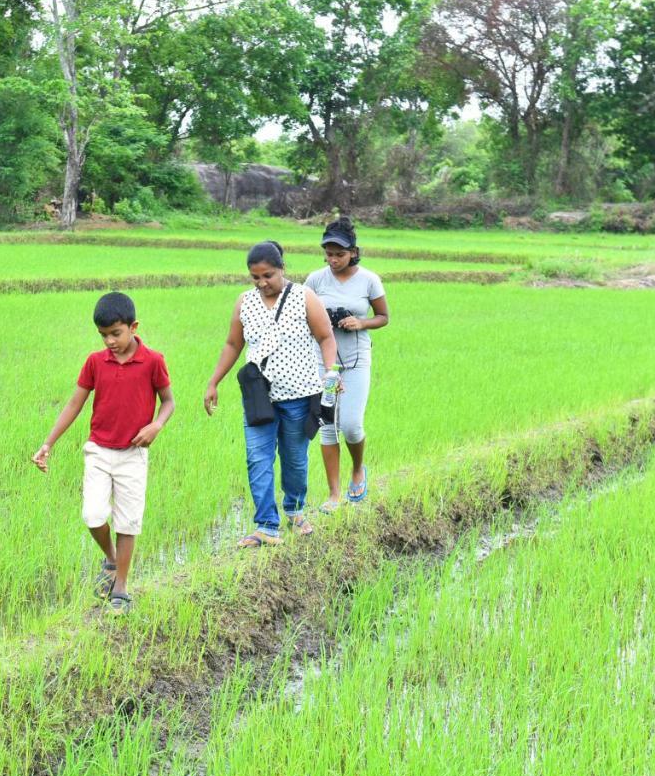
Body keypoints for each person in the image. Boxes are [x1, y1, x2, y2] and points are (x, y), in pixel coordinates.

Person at [33, 292, 175, 615]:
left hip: (133, 453)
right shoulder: (95, 362)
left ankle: (121, 587)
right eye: (103, 335)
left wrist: (156, 426)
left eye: (115, 333)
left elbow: (169, 402)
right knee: (93, 515)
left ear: (133, 326)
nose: (109, 341)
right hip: (98, 449)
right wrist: (48, 443)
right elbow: (75, 403)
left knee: (128, 520)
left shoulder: (153, 361)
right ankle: (111, 559)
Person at [203, 241, 340, 546]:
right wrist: (213, 382)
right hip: (259, 397)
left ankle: (294, 510)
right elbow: (232, 345)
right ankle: (266, 525)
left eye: (268, 275)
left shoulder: (304, 297)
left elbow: (326, 337)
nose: (262, 283)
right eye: (255, 277)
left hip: (300, 396)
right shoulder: (244, 302)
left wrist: (331, 374)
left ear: (282, 269)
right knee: (257, 458)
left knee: (294, 460)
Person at [306, 216, 389, 512]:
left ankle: (357, 469)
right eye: (328, 254)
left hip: (356, 360)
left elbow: (383, 317)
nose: (333, 260)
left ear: (353, 252)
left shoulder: (369, 280)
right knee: (327, 426)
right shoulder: (315, 280)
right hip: (323, 362)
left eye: (339, 254)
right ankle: (333, 494)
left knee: (352, 425)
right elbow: (304, 314)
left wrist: (360, 321)